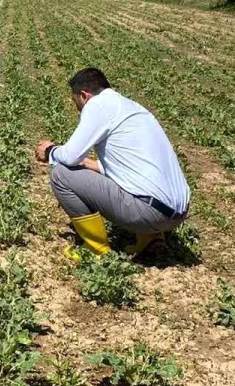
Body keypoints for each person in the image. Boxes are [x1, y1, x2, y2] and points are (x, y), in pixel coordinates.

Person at [36, 67, 191, 258]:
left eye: (76, 101)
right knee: (106, 175)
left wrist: (50, 150)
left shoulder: (98, 105)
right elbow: (138, 163)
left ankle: (96, 250)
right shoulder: (133, 108)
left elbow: (70, 156)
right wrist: (97, 166)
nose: (77, 107)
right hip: (178, 213)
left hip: (149, 213)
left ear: (84, 95)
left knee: (61, 175)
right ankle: (150, 238)